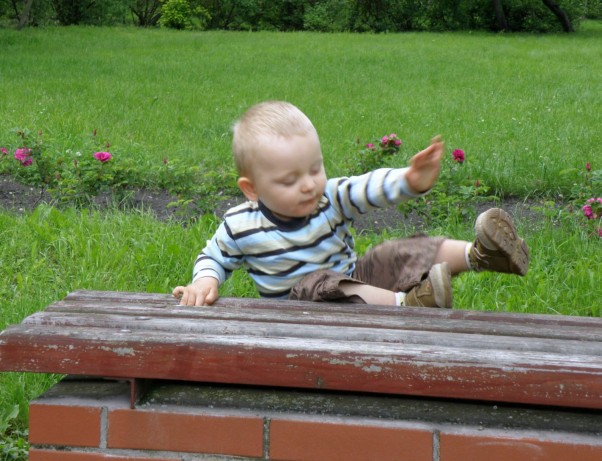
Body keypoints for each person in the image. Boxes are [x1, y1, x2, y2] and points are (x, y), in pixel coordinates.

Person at [173, 101, 529, 308]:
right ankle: (409, 305)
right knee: (320, 282)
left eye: (315, 168)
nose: (309, 183)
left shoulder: (329, 197)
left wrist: (407, 180)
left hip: (357, 284)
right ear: (252, 189)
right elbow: (213, 257)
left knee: (396, 251)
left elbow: (367, 187)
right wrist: (205, 281)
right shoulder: (241, 225)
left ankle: (480, 254)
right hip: (303, 313)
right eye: (289, 180)